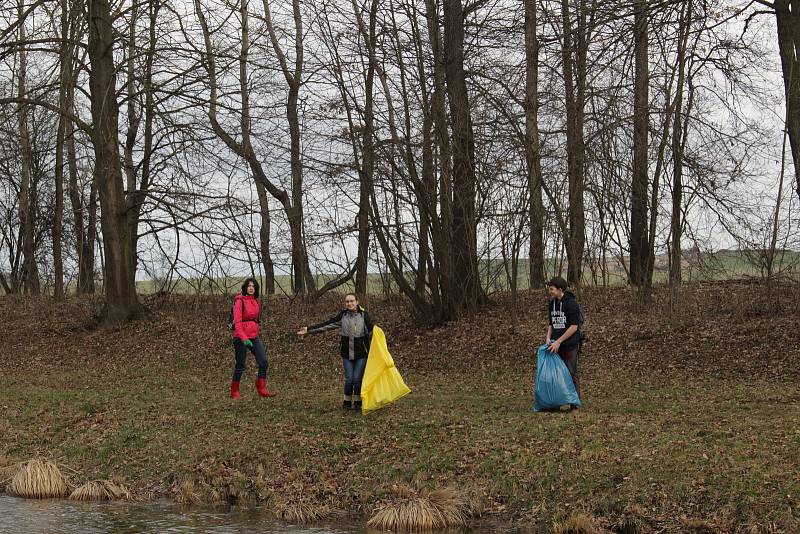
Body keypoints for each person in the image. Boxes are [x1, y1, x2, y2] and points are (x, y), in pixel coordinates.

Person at [297, 293, 374, 413]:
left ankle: (358, 403)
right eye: (347, 301)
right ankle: (347, 403)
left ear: (357, 302)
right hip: (346, 354)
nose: (350, 303)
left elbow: (372, 332)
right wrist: (309, 330)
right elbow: (327, 325)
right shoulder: (343, 316)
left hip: (361, 354)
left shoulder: (364, 316)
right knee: (349, 379)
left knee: (357, 379)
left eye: (352, 301)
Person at [230, 278, 276, 399]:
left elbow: (255, 320)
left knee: (264, 362)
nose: (251, 288)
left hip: (253, 337)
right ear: (245, 287)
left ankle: (261, 388)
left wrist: (253, 334)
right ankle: (234, 390)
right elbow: (238, 323)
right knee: (240, 365)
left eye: (253, 286)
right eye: (249, 286)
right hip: (240, 337)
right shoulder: (239, 301)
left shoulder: (255, 301)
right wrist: (244, 338)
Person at [545, 276, 582, 409]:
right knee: (556, 374)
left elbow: (574, 327)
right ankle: (556, 403)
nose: (550, 291)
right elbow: (551, 323)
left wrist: (559, 342)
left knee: (571, 373)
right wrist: (548, 338)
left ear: (560, 289)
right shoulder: (552, 303)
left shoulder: (571, 304)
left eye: (551, 289)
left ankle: (574, 403)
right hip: (555, 344)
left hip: (569, 344)